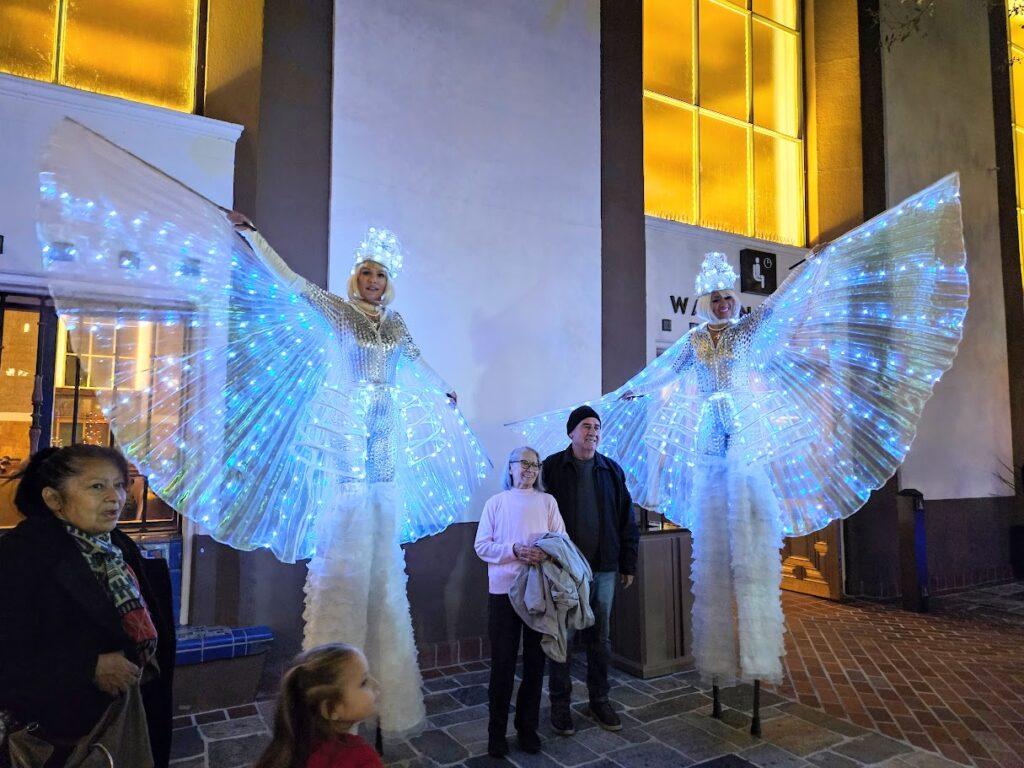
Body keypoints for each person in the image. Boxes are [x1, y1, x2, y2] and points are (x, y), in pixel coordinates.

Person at [36, 120, 490, 740]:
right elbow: (294, 284)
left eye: (381, 276)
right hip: (344, 451)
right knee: (347, 567)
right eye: (365, 273)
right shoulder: (336, 311)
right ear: (355, 277)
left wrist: (445, 391)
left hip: (384, 451)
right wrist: (255, 240)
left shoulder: (397, 327)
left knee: (387, 577)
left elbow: (421, 366)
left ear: (391, 282)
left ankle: (387, 698)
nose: (373, 283)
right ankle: (329, 706)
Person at [510, 175, 968, 731]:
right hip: (709, 438)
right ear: (704, 305)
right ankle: (714, 665)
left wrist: (816, 268)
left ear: (735, 300)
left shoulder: (752, 329)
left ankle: (752, 656)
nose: (724, 304)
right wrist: (630, 392)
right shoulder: (694, 342)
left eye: (729, 297)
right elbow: (661, 374)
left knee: (750, 540)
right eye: (716, 299)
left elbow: (786, 308)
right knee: (711, 544)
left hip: (744, 437)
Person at [0, 445, 176, 767]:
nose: (115, 497)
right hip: (60, 741)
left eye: (119, 485)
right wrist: (87, 668)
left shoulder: (118, 548)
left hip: (126, 727)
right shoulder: (20, 557)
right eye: (97, 486)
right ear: (54, 499)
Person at [540, 406, 639, 735]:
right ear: (571, 432)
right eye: (586, 426)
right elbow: (535, 512)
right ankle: (560, 705)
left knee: (600, 639)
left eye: (597, 426)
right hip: (564, 571)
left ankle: (600, 700)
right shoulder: (551, 468)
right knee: (562, 639)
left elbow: (627, 519)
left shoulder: (611, 470)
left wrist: (627, 562)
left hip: (604, 569)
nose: (593, 431)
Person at [474, 447, 565, 759]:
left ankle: (527, 728)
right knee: (502, 665)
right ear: (510, 468)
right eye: (523, 463)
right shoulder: (495, 503)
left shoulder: (547, 502)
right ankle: (496, 733)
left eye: (535, 464)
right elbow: (481, 546)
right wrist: (514, 550)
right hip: (504, 594)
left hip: (538, 593)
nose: (530, 469)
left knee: (536, 665)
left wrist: (546, 552)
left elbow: (561, 541)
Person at [255, 643, 382, 768]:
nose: (375, 683)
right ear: (330, 708)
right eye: (363, 682)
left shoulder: (285, 750)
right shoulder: (361, 759)